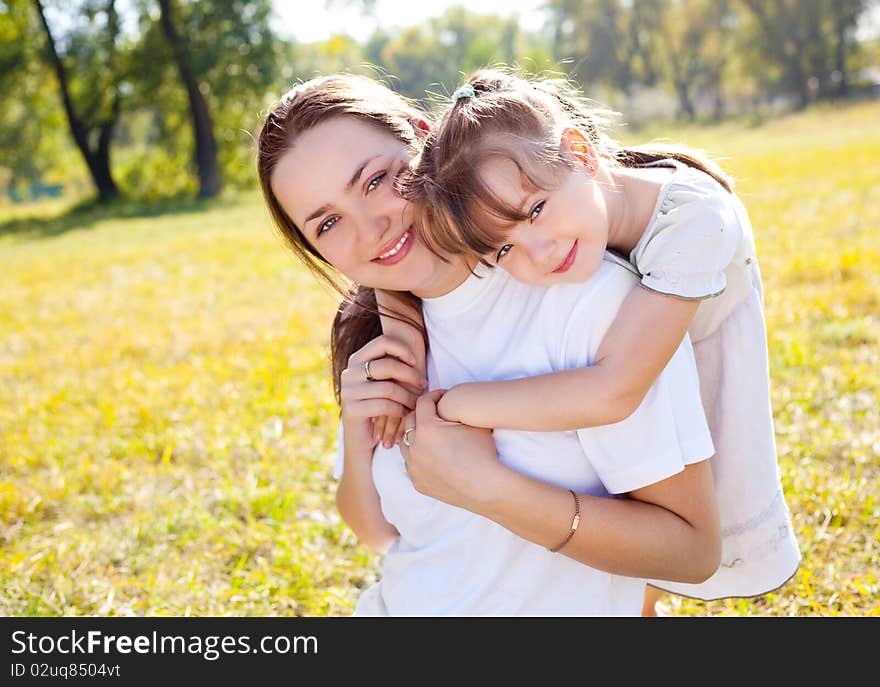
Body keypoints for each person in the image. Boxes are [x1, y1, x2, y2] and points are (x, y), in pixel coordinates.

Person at [256, 73, 721, 615]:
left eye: (376, 179)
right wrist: (359, 428)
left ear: (422, 138)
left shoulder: (587, 302)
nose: (370, 228)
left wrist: (490, 488)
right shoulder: (382, 338)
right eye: (329, 222)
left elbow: (691, 551)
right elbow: (382, 535)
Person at [387, 68, 800, 613]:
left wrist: (459, 405)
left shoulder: (695, 221)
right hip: (646, 372)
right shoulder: (585, 208)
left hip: (694, 372)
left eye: (534, 211)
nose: (538, 252)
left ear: (579, 153)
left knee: (666, 525)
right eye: (504, 251)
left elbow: (613, 390)